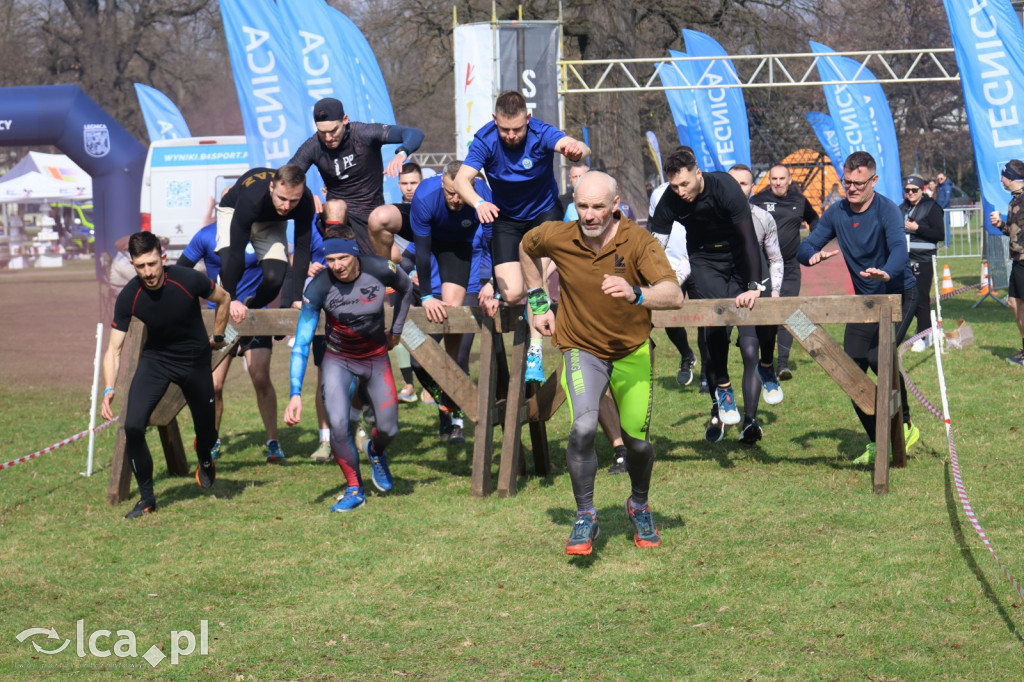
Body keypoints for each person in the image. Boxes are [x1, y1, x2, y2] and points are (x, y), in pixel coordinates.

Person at [520, 170, 682, 556]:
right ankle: (585, 515)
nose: (589, 215)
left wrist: (636, 293)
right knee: (582, 427)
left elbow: (673, 294)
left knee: (638, 444)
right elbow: (526, 247)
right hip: (581, 347)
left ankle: (638, 505)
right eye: (582, 206)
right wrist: (538, 300)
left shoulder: (638, 241)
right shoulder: (558, 235)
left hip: (631, 350)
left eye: (597, 207)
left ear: (615, 205)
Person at [453, 90, 590, 383]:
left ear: (528, 119)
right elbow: (460, 180)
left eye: (517, 129)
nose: (512, 135)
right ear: (494, 121)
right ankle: (547, 267)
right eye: (505, 129)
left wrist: (576, 148)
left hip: (544, 213)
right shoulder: (486, 140)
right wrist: (478, 203)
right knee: (514, 293)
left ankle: (534, 352)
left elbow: (576, 146)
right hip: (506, 218)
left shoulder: (541, 133)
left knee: (534, 281)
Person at [797, 151, 919, 464]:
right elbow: (808, 244)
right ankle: (879, 440)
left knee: (881, 357)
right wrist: (810, 255)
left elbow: (898, 251)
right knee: (850, 372)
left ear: (873, 181)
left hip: (899, 295)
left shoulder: (887, 210)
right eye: (847, 183)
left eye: (859, 183)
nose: (852, 189)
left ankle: (904, 425)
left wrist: (887, 272)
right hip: (864, 303)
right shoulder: (837, 213)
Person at [100, 232, 230, 519]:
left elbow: (224, 298)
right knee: (133, 426)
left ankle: (204, 453)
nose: (147, 273)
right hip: (157, 361)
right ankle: (147, 498)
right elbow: (113, 350)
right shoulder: (129, 297)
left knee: (207, 432)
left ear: (162, 258)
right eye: (140, 266)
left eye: (151, 264)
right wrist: (108, 389)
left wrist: (219, 335)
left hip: (195, 360)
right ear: (133, 265)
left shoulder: (187, 280)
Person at [284, 237, 414, 512]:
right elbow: (302, 341)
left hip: (376, 358)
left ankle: (375, 451)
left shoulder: (380, 268)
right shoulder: (319, 286)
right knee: (339, 426)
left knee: (389, 428)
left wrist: (398, 330)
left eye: (342, 258)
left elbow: (406, 287)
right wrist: (295, 393)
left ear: (355, 254)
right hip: (338, 360)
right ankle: (354, 488)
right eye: (330, 260)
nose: (337, 265)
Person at [648, 147, 764, 442]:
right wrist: (646, 285)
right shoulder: (670, 200)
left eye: (685, 184)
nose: (680, 191)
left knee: (749, 340)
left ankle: (751, 415)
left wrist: (753, 285)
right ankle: (722, 386)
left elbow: (750, 239)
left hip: (739, 258)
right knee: (715, 323)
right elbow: (652, 248)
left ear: (697, 172)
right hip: (703, 259)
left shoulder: (725, 186)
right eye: (674, 186)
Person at [178, 222, 285, 462]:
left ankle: (273, 442)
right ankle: (212, 439)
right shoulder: (206, 235)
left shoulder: (260, 232)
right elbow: (182, 270)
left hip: (255, 317)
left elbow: (279, 271)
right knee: (214, 385)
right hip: (222, 320)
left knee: (260, 377)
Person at [288, 97, 424, 257]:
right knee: (334, 206)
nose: (328, 138)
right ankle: (337, 254)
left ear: (345, 120)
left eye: (333, 131)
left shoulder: (364, 133)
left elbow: (414, 133)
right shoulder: (313, 146)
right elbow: (287, 176)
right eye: (322, 132)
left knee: (393, 258)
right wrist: (307, 195)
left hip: (372, 216)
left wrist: (403, 152)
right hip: (340, 216)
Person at [727, 164, 785, 443]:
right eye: (733, 183)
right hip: (731, 292)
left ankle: (767, 367)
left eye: (744, 184)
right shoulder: (714, 219)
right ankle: (748, 421)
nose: (739, 189)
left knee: (758, 351)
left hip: (760, 290)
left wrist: (774, 291)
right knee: (747, 351)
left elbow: (774, 258)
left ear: (752, 187)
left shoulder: (763, 218)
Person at [749, 163, 820, 380]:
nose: (778, 182)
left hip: (790, 267)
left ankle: (782, 365)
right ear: (769, 180)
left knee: (788, 311)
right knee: (766, 314)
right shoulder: (758, 201)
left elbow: (815, 219)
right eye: (774, 179)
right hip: (764, 266)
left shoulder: (799, 201)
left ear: (789, 180)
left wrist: (814, 243)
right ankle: (762, 360)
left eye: (782, 179)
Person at [217, 165, 315, 313]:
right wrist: (232, 299)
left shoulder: (306, 201)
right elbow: (236, 251)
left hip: (271, 221)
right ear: (271, 187)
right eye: (281, 198)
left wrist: (297, 299)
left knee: (274, 280)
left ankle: (253, 309)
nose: (287, 206)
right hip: (235, 211)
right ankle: (225, 293)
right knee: (233, 267)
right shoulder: (251, 198)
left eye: (293, 200)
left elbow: (302, 250)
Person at [367, 161, 425, 403]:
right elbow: (392, 253)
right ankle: (408, 383)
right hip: (400, 275)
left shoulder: (429, 206)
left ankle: (435, 386)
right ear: (398, 184)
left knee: (428, 331)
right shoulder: (391, 212)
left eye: (414, 183)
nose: (409, 188)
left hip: (429, 277)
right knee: (399, 324)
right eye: (404, 183)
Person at [899, 176, 945, 352]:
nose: (910, 193)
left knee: (920, 298)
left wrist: (918, 229)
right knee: (905, 298)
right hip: (903, 259)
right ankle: (925, 330)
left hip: (924, 259)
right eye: (908, 190)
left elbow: (940, 234)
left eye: (914, 190)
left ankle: (925, 336)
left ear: (921, 190)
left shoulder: (932, 207)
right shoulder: (901, 208)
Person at [988, 160, 1024, 366]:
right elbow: (1014, 231)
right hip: (1018, 260)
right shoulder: (1015, 200)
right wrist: (1001, 224)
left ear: (1011, 177)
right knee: (1013, 303)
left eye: (1004, 176)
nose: (1001, 180)